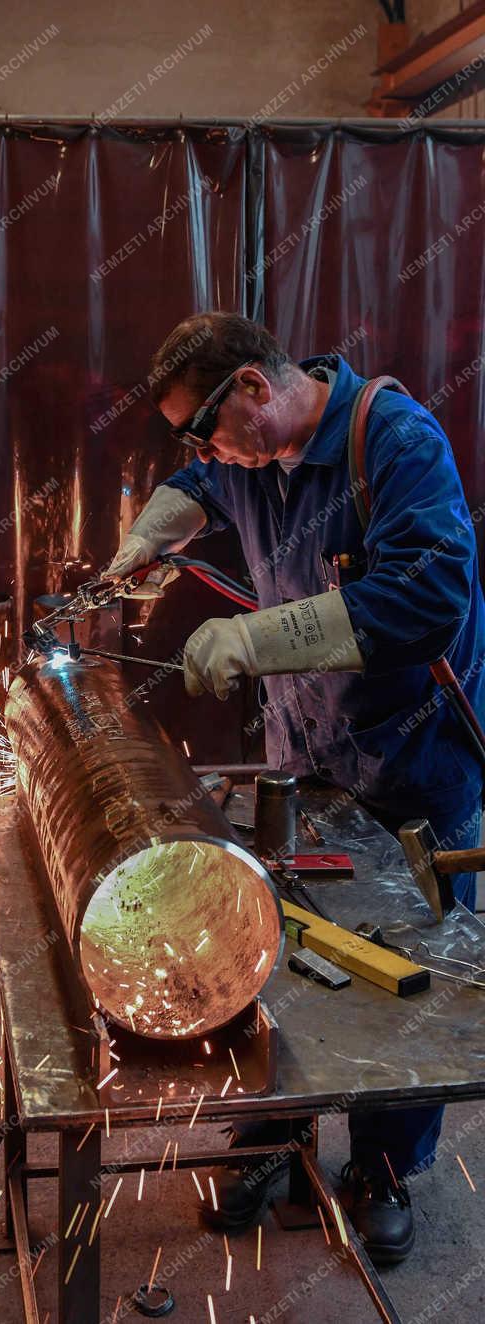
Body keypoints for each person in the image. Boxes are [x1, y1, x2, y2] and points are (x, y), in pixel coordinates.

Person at [106, 311, 485, 1266]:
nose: (204, 453)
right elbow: (196, 485)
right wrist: (145, 541)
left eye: (205, 427)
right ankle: (277, 1133)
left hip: (413, 772)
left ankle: (385, 1163)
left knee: (408, 977)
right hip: (308, 758)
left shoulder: (394, 442)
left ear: (253, 389)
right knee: (282, 949)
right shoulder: (249, 454)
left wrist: (251, 639)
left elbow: (428, 597)